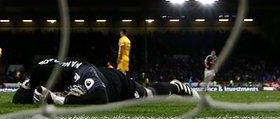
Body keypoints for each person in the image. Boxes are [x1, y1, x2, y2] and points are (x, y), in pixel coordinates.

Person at [12, 58, 198, 105]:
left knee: (148, 94)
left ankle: (176, 86)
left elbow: (101, 98)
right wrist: (36, 95)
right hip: (101, 77)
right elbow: (18, 96)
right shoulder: (41, 71)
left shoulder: (80, 69)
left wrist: (59, 99)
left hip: (116, 82)